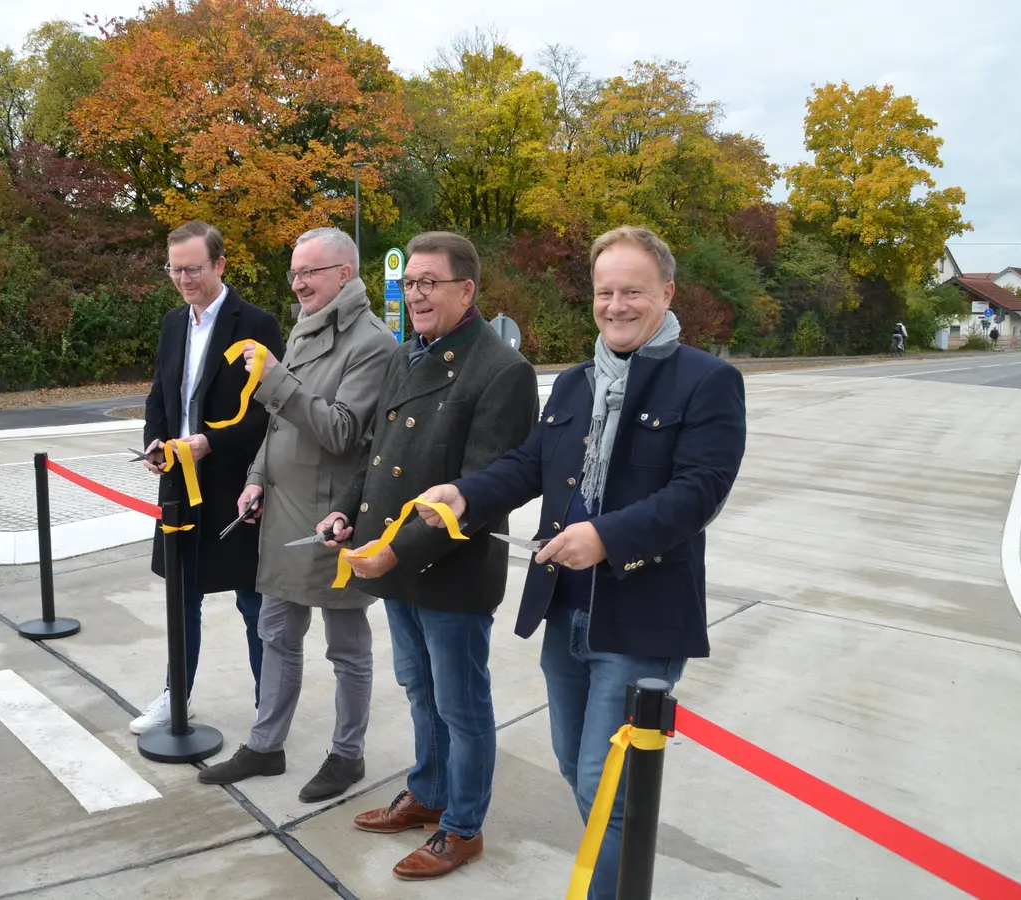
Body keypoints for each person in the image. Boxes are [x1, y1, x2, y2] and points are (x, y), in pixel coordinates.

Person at [415, 225, 747, 899]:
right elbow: (527, 466)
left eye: (633, 292)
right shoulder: (574, 383)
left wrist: (605, 536)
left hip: (641, 619)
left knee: (606, 782)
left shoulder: (707, 381)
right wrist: (466, 493)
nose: (616, 306)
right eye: (604, 292)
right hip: (566, 609)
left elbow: (699, 492)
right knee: (575, 766)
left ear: (667, 293)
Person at [319, 231, 539, 880]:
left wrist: (395, 554)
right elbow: (376, 454)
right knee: (419, 691)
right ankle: (429, 792)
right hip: (397, 563)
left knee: (461, 707)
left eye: (428, 284)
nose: (414, 295)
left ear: (466, 290)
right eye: (408, 283)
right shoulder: (406, 354)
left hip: (451, 574)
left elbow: (483, 492)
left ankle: (463, 827)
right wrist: (347, 513)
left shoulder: (501, 371)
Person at [195, 227, 399, 802]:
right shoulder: (306, 328)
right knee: (277, 633)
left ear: (345, 274)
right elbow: (279, 424)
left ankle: (347, 755)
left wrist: (275, 380)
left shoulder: (373, 343)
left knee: (346, 647)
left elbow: (341, 431)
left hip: (332, 522)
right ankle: (266, 745)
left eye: (310, 272)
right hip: (283, 512)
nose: (298, 283)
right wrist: (256, 478)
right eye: (295, 272)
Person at [133, 220, 286, 735]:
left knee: (252, 602)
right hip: (178, 482)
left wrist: (210, 443)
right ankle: (176, 695)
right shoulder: (173, 323)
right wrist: (155, 442)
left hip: (237, 483)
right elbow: (160, 396)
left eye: (193, 269)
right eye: (174, 269)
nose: (183, 279)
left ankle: (268, 708)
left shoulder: (257, 324)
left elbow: (270, 412)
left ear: (219, 264)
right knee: (181, 597)